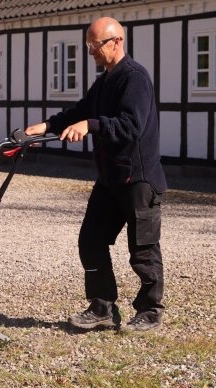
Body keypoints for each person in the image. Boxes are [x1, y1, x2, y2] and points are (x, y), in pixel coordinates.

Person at [25, 17, 167, 332]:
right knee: (90, 240)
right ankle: (102, 307)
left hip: (138, 179)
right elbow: (81, 111)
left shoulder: (135, 79)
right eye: (88, 45)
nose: (91, 52)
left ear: (117, 41)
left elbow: (130, 126)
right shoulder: (104, 81)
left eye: (95, 45)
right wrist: (47, 125)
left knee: (142, 250)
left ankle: (150, 311)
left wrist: (91, 126)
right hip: (110, 179)